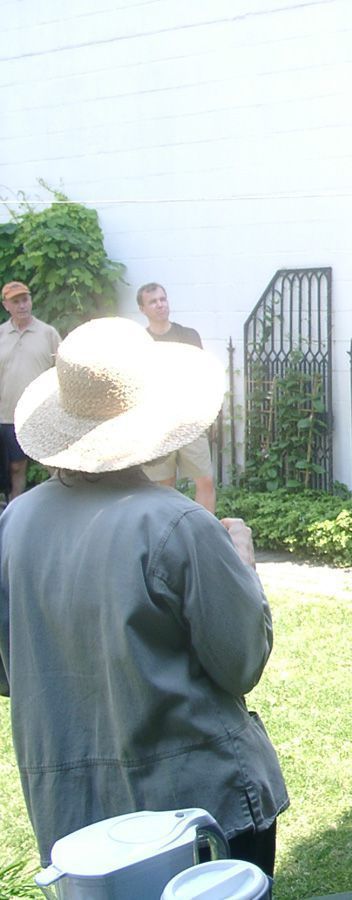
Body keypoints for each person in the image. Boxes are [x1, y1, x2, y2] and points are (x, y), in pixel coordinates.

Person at [0, 317, 287, 874]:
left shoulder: (14, 524)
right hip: (198, 816)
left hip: (75, 823)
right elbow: (242, 661)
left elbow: (8, 674)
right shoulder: (178, 524)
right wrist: (244, 567)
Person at [136, 282, 217, 514]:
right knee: (164, 487)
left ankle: (206, 538)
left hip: (190, 421)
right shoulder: (139, 342)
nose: (160, 305)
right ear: (143, 309)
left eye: (163, 299)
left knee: (205, 481)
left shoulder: (188, 336)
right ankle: (167, 541)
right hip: (157, 425)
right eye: (153, 301)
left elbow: (204, 375)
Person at [0, 281, 61, 500]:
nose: (22, 305)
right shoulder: (1, 335)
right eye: (16, 301)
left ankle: (63, 503)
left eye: (25, 299)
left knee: (53, 464)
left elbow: (62, 371)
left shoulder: (48, 333)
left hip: (42, 412)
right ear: (6, 305)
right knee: (16, 467)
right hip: (8, 415)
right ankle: (14, 508)